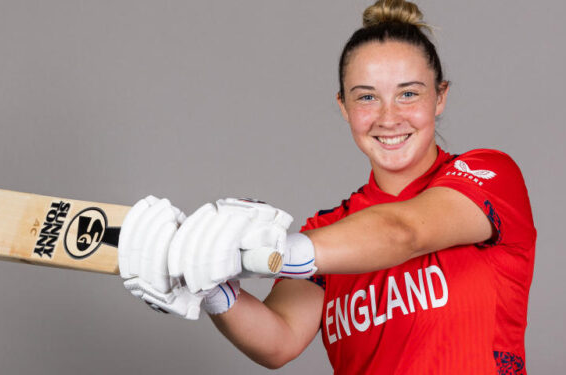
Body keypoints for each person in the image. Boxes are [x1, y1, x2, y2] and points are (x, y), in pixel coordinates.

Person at [117, 0, 536, 373]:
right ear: (343, 106)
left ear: (440, 98)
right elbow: (278, 341)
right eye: (367, 97)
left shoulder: (489, 176)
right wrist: (213, 289)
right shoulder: (331, 229)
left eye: (408, 93)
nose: (389, 118)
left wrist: (274, 254)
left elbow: (405, 232)